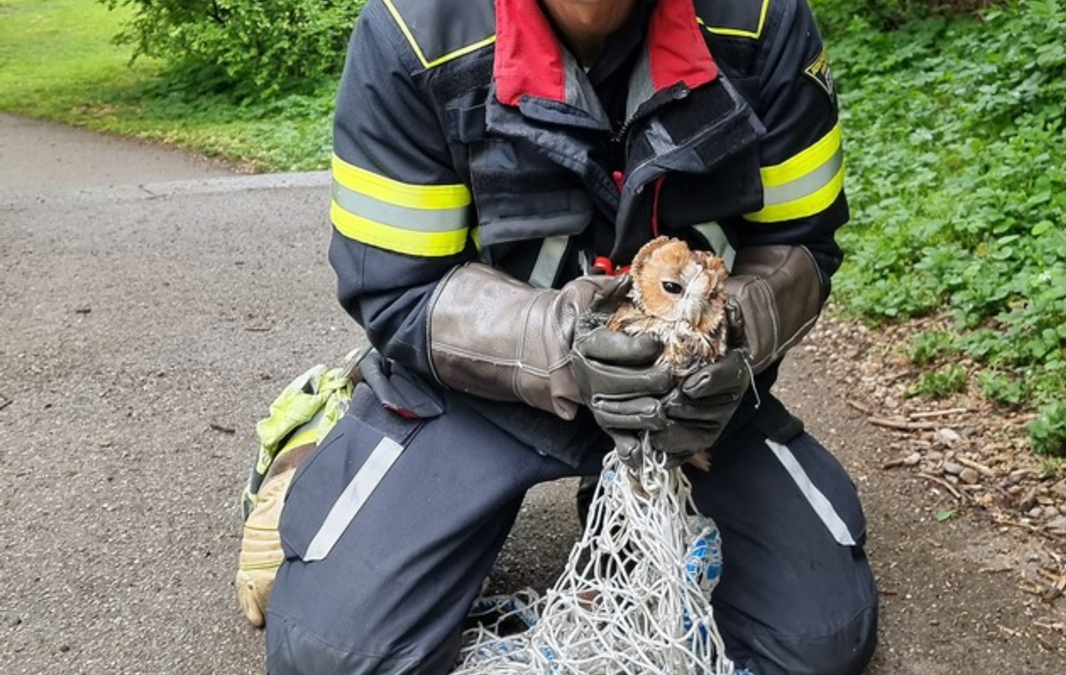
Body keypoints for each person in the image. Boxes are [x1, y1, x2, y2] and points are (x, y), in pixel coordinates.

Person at [251, 0, 878, 673]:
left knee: (819, 641)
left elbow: (801, 246)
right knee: (340, 657)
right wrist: (571, 344)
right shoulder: (412, 32)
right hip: (477, 390)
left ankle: (616, 495)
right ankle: (314, 437)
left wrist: (731, 337)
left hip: (692, 406)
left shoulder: (760, 20)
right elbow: (398, 289)